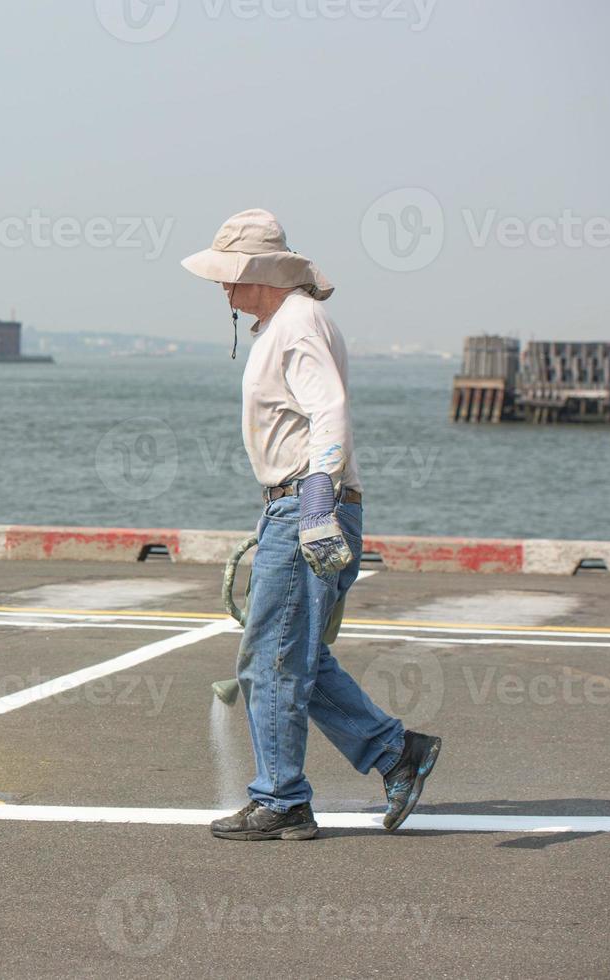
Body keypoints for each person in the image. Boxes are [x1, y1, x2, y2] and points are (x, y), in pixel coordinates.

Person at [180, 210, 441, 841]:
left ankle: (282, 799)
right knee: (295, 654)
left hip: (307, 506)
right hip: (297, 503)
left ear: (260, 274)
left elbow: (329, 412)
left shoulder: (296, 326)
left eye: (229, 275)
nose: (221, 287)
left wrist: (315, 505)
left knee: (271, 657)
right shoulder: (287, 323)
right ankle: (395, 752)